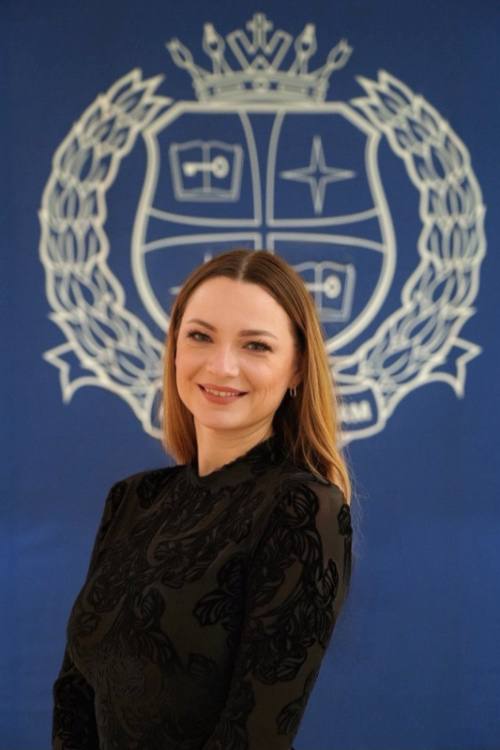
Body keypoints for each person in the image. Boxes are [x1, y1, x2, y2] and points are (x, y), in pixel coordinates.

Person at [52, 248, 355, 750]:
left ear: (298, 368)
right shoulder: (132, 500)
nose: (222, 366)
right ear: (174, 347)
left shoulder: (303, 510)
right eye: (200, 336)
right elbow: (74, 693)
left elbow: (255, 735)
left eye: (255, 345)